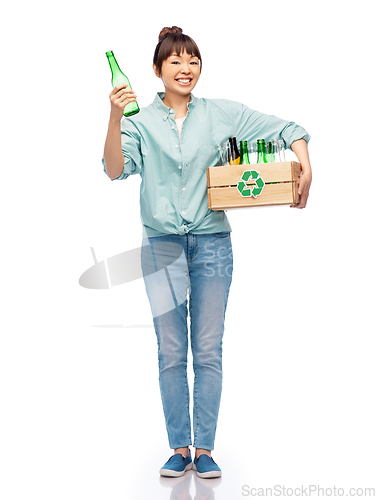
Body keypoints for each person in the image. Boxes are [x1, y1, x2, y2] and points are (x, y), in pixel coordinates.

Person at [102, 26, 312, 479]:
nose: (186, 68)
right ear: (157, 70)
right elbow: (115, 170)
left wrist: (305, 164)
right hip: (161, 246)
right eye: (175, 61)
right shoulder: (139, 122)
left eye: (193, 60)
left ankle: (206, 449)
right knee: (171, 350)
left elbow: (288, 129)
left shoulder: (222, 114)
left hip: (214, 245)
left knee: (208, 349)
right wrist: (115, 117)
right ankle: (179, 447)